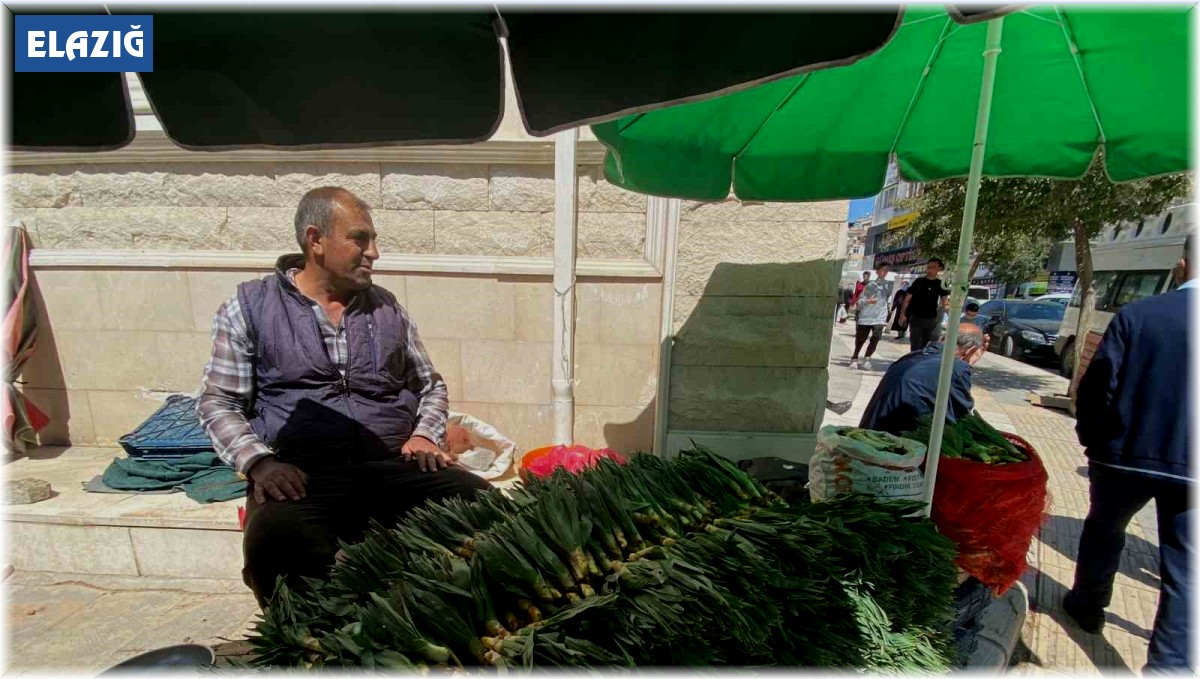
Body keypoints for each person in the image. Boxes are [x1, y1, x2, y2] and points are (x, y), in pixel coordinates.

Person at [197, 187, 490, 608]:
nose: (374, 253)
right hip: (304, 476)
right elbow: (218, 401)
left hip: (393, 464)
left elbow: (429, 384)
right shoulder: (250, 307)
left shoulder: (386, 307)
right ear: (315, 240)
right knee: (276, 548)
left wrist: (425, 435)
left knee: (484, 510)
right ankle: (313, 652)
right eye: (360, 238)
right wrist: (260, 463)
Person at [1062, 236, 1193, 672]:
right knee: (1186, 568)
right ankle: (1170, 666)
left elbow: (1099, 386)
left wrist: (1092, 439)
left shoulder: (1138, 315)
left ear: (1180, 265)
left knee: (1104, 532)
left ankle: (1087, 607)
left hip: (1123, 456)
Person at [858, 323, 987, 436]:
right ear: (972, 349)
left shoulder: (912, 356)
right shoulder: (955, 367)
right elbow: (962, 417)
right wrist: (967, 364)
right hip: (897, 442)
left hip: (872, 430)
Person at [898, 258, 950, 351]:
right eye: (929, 267)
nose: (930, 269)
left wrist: (952, 317)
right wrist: (902, 315)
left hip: (931, 320)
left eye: (933, 267)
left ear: (939, 268)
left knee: (927, 347)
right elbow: (906, 300)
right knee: (915, 346)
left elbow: (945, 303)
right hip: (916, 318)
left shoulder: (941, 284)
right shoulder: (919, 281)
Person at [849, 263, 893, 370]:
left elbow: (890, 298)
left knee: (875, 338)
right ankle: (855, 357)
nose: (884, 272)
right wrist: (869, 301)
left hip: (880, 317)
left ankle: (867, 358)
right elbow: (860, 301)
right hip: (867, 316)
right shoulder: (870, 285)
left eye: (886, 270)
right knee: (861, 339)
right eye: (882, 270)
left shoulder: (889, 286)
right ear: (877, 271)